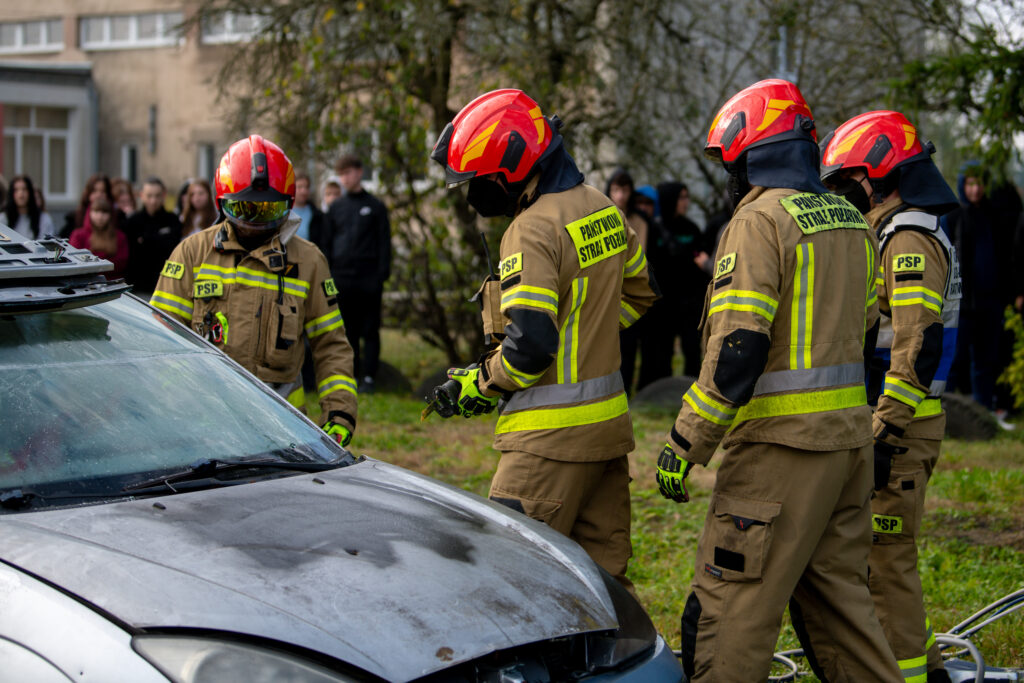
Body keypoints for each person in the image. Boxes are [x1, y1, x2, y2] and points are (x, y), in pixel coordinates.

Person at [655, 79, 902, 681]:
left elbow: (738, 351)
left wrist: (685, 442)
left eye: (731, 162)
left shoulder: (758, 221)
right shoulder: (852, 220)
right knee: (842, 612)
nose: (731, 175)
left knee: (729, 611)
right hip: (847, 447)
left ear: (755, 153)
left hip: (777, 454)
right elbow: (869, 331)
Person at [429, 89, 658, 590]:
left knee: (511, 583)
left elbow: (529, 349)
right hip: (607, 435)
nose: (472, 195)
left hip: (546, 444)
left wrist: (480, 383)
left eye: (477, 181)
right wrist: (584, 335)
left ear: (509, 169)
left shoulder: (530, 229)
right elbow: (641, 293)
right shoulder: (602, 207)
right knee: (603, 590)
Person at [819, 111, 960, 683]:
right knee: (879, 562)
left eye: (848, 180)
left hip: (901, 428)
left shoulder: (907, 238)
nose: (844, 192)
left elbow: (916, 346)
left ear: (879, 172)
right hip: (897, 423)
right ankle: (927, 668)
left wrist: (884, 431)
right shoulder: (895, 230)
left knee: (886, 565)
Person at [149, 135, 358, 446]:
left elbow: (331, 345)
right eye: (245, 209)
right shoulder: (193, 253)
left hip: (282, 429)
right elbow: (159, 339)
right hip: (201, 427)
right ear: (223, 202)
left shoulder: (309, 261)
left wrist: (340, 414)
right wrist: (170, 410)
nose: (257, 222)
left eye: (269, 210)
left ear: (288, 203)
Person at [323, 154, 391, 393]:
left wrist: (381, 276)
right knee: (347, 330)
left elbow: (384, 243)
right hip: (342, 279)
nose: (345, 178)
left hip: (369, 279)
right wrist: (329, 275)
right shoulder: (336, 208)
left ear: (359, 172)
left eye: (348, 172)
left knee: (370, 330)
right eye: (341, 174)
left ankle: (369, 377)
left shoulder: (375, 207)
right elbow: (327, 244)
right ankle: (351, 375)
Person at [638, 181, 707, 388]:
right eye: (681, 197)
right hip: (663, 305)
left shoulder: (691, 229)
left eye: (687, 197)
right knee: (662, 353)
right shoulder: (654, 229)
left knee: (692, 351)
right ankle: (664, 394)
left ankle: (693, 392)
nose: (686, 202)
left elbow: (699, 266)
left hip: (689, 305)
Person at [606, 169, 649, 396]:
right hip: (604, 292)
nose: (620, 195)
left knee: (629, 346)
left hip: (629, 293)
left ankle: (626, 392)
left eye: (624, 190)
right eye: (616, 189)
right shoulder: (600, 216)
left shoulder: (639, 221)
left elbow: (639, 259)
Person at [123, 177, 183, 295]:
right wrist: (159, 239)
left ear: (164, 195)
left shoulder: (172, 220)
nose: (153, 200)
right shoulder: (133, 222)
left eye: (157, 196)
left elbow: (173, 247)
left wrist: (146, 240)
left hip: (166, 286)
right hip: (138, 287)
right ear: (141, 195)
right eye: (149, 196)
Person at [69, 196, 130, 280]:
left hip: (112, 282)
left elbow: (121, 263)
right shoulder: (78, 235)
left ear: (110, 215)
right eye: (96, 211)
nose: (100, 216)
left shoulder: (120, 236)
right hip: (85, 282)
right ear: (89, 213)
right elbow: (75, 260)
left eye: (104, 212)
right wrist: (105, 259)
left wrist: (93, 259)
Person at [62, 174, 124, 239]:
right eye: (94, 191)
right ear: (88, 194)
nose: (98, 195)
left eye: (103, 191)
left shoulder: (119, 219)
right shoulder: (75, 220)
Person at [1, 174, 55, 239]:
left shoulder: (43, 219)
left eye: (24, 189)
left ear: (30, 192)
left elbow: (47, 243)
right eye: (16, 190)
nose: (21, 194)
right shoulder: (3, 219)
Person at [293, 172, 327, 248]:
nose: (304, 191)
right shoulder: (284, 213)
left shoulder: (317, 215)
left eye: (307, 187)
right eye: (299, 187)